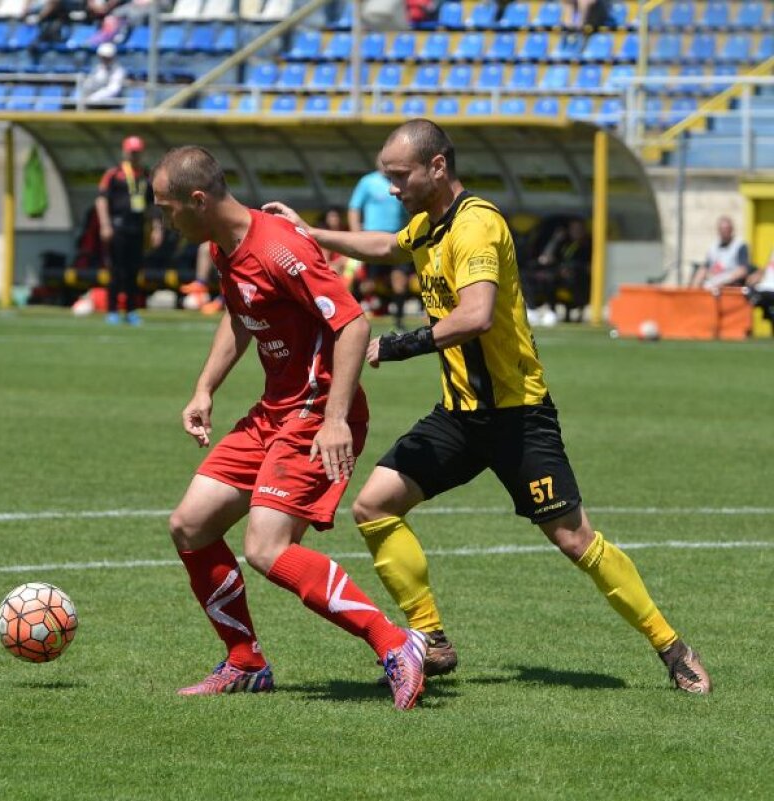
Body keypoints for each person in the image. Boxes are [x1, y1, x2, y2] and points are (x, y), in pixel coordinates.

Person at [264, 118, 711, 695]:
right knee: (374, 506)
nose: (392, 188)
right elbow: (387, 247)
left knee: (574, 539)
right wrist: (310, 233)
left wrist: (398, 345)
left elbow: (475, 315)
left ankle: (672, 647)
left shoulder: (477, 225)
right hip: (459, 415)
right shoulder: (430, 224)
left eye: (400, 176)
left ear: (437, 167)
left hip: (517, 417)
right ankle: (432, 638)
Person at [154, 145, 427, 709]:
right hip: (275, 409)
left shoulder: (279, 247)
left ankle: (395, 642)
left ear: (197, 200)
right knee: (190, 525)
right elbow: (241, 316)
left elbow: (353, 324)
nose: (164, 220)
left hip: (316, 411)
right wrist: (205, 388)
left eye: (166, 208)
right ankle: (245, 662)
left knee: (267, 546)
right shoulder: (224, 246)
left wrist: (335, 420)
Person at [95, 135, 163, 326]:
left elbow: (153, 205)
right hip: (117, 228)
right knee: (116, 270)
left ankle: (132, 310)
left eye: (137, 152)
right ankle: (112, 310)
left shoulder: (145, 176)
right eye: (132, 152)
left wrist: (157, 228)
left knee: (134, 272)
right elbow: (101, 199)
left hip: (137, 229)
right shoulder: (114, 174)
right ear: (125, 152)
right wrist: (105, 225)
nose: (134, 156)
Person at [348, 167, 410, 328]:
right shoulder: (368, 181)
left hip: (397, 239)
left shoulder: (400, 182)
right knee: (368, 285)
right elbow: (354, 208)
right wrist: (356, 235)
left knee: (400, 281)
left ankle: (399, 322)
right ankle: (347, 315)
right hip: (373, 239)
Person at [690, 215, 751, 290]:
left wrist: (723, 281)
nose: (724, 232)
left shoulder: (740, 246)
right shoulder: (713, 247)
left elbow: (743, 271)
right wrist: (695, 286)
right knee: (700, 273)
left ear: (731, 230)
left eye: (726, 229)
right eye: (722, 229)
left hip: (730, 285)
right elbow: (705, 268)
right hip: (712, 283)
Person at [79, 41, 126, 109]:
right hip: (93, 104)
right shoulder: (98, 68)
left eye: (107, 57)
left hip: (111, 105)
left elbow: (113, 90)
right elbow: (89, 84)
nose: (105, 59)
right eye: (103, 57)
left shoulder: (118, 71)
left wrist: (93, 98)